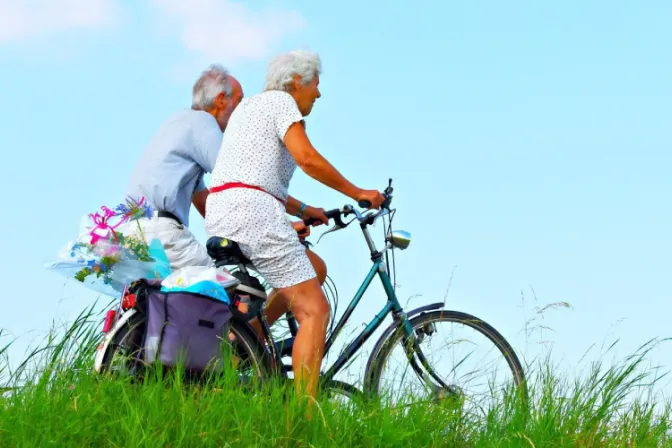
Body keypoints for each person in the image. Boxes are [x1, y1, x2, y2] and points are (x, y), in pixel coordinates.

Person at [204, 49, 385, 402]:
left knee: (313, 268)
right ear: (297, 82)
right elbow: (307, 158)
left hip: (225, 209)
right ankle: (302, 420)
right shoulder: (282, 103)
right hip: (252, 212)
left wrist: (305, 209)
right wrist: (358, 192)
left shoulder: (250, 108)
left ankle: (250, 337)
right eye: (316, 85)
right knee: (314, 310)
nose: (318, 93)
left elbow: (252, 176)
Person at [118, 64, 244, 271]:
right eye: (239, 102)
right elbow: (236, 178)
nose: (241, 111)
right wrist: (275, 227)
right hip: (162, 233)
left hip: (133, 233)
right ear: (221, 100)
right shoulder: (203, 122)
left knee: (166, 300)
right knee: (226, 289)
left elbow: (203, 201)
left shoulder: (178, 122)